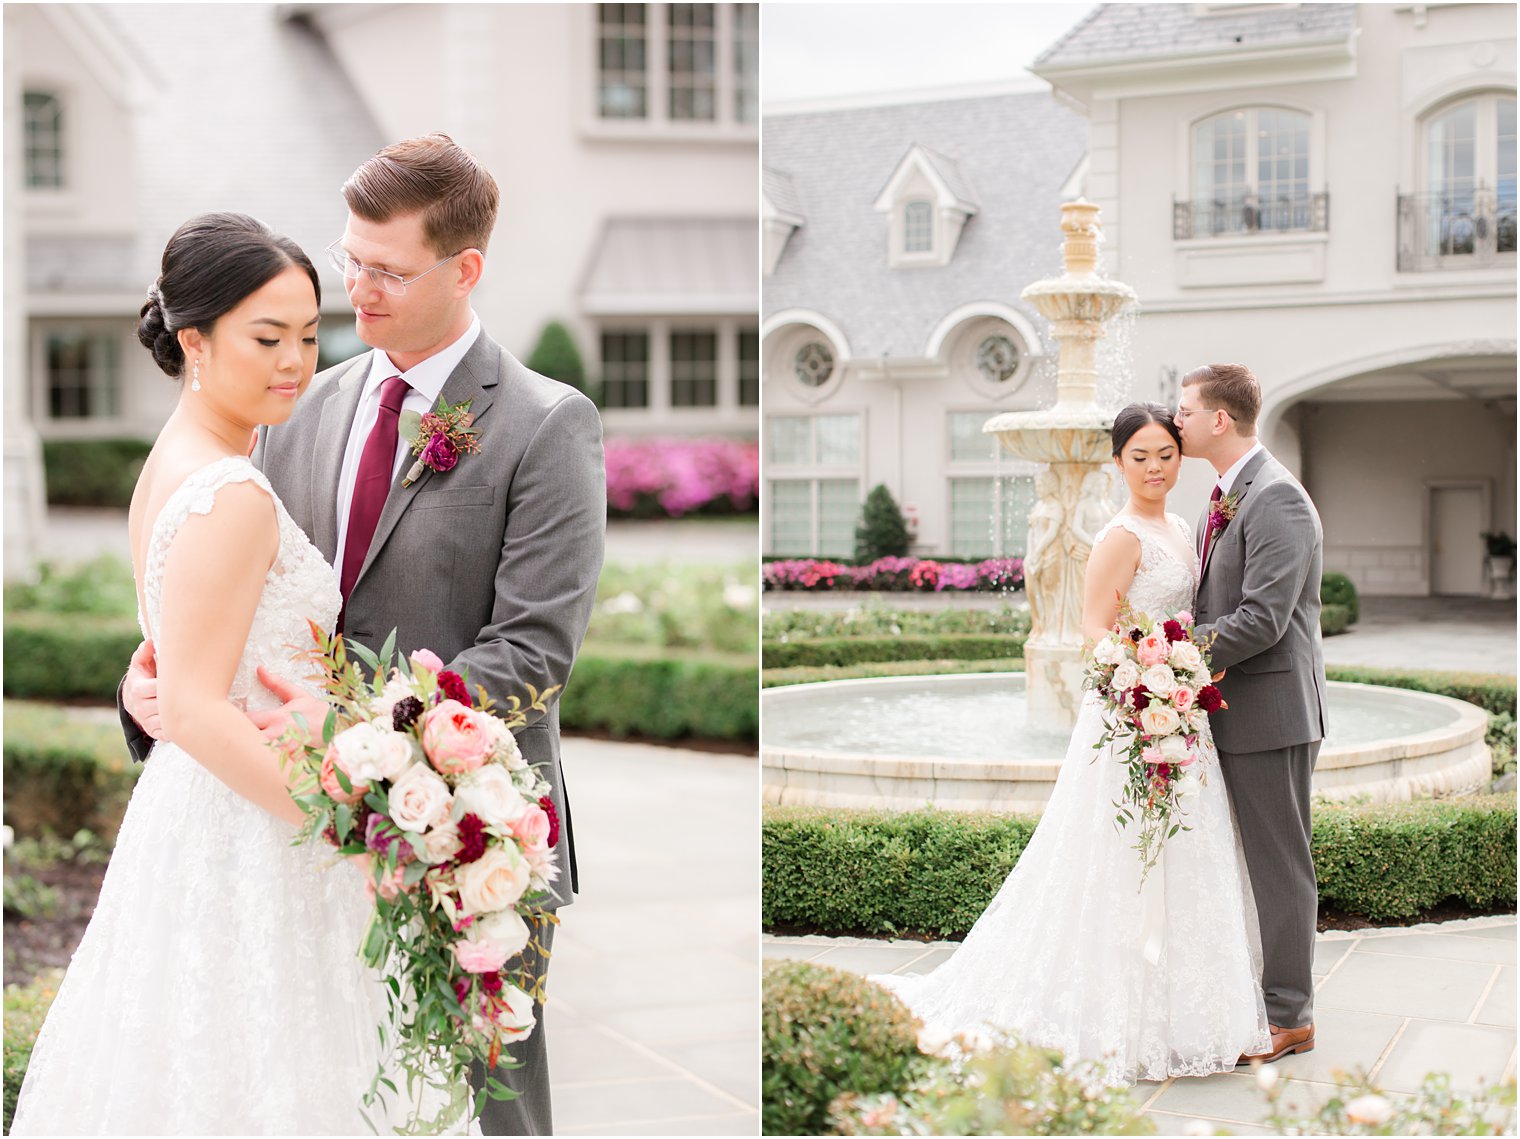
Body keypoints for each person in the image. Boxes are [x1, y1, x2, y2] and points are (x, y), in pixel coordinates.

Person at [119, 135, 607, 1134]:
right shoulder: (296, 402)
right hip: (295, 826)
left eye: (385, 269)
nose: (357, 287)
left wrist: (372, 761)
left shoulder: (545, 422)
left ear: (463, 269)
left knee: (490, 1101)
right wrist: (155, 680)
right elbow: (228, 587)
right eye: (351, 259)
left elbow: (530, 653)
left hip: (464, 829)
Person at [12, 212, 413, 1133]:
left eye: (310, 335)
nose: (295, 361)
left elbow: (184, 668)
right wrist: (353, 825)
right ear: (194, 339)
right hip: (259, 820)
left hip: (203, 814)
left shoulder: (179, 463)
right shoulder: (228, 490)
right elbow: (191, 704)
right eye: (267, 338)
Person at [871, 403, 1269, 1085]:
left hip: (1178, 706)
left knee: (1186, 849)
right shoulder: (1119, 533)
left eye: (1165, 455)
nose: (1153, 467)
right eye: (1138, 456)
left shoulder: (1179, 525)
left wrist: (1178, 672)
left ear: (1180, 458)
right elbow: (1093, 624)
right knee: (1116, 853)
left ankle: (1190, 1013)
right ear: (1117, 462)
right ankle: (1113, 1007)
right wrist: (1146, 670)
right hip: (1132, 707)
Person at [1176, 363, 1326, 1065]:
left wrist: (1175, 657)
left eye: (1185, 411)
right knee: (1251, 862)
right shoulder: (1229, 494)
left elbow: (1264, 618)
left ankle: (1289, 1013)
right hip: (1237, 708)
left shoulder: (1276, 499)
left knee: (1279, 865)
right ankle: (1261, 995)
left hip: (1271, 712)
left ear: (1219, 420)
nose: (1177, 422)